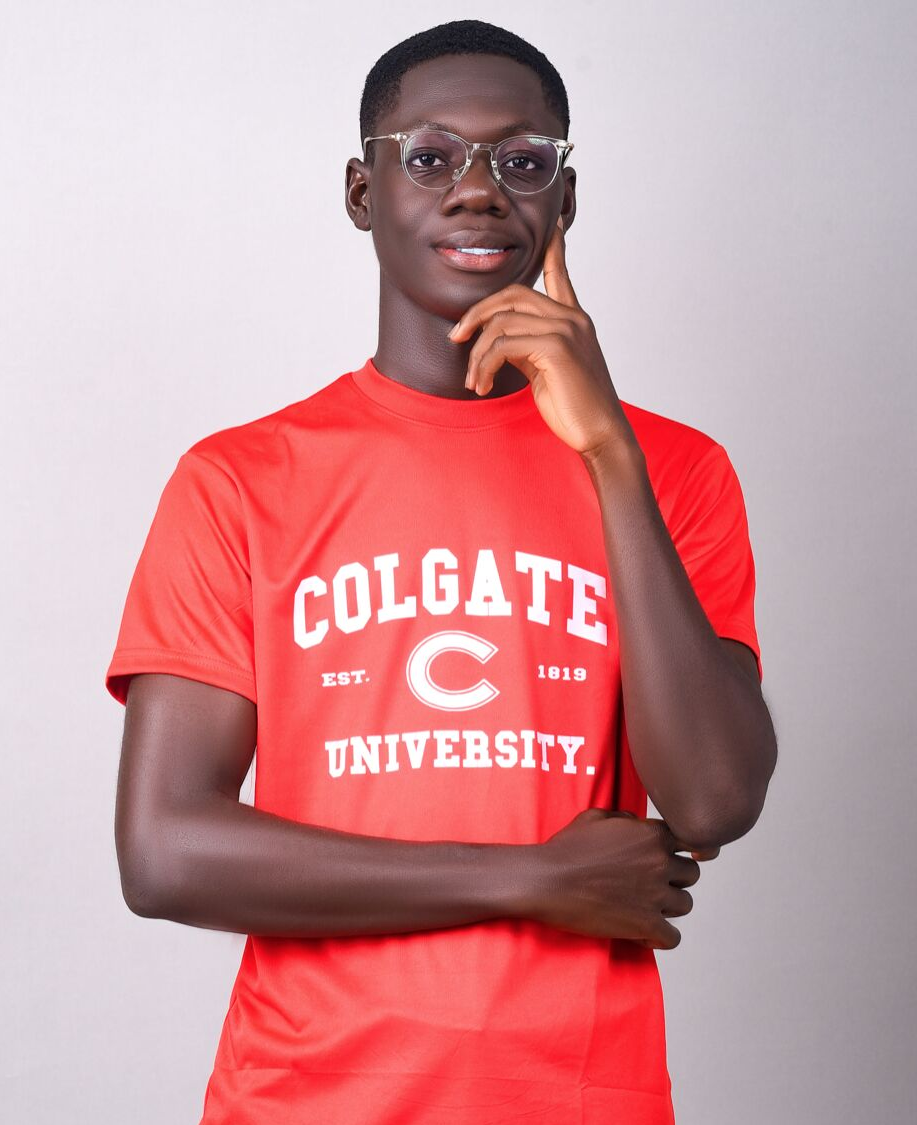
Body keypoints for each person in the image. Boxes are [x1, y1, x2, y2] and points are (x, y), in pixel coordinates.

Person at [105, 19, 777, 1125]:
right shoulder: (242, 478)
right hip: (304, 1099)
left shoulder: (674, 470)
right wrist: (526, 880)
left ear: (563, 199)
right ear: (363, 191)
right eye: (429, 156)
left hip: (579, 1096)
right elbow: (166, 852)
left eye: (521, 161)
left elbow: (710, 799)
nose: (477, 190)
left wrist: (607, 451)